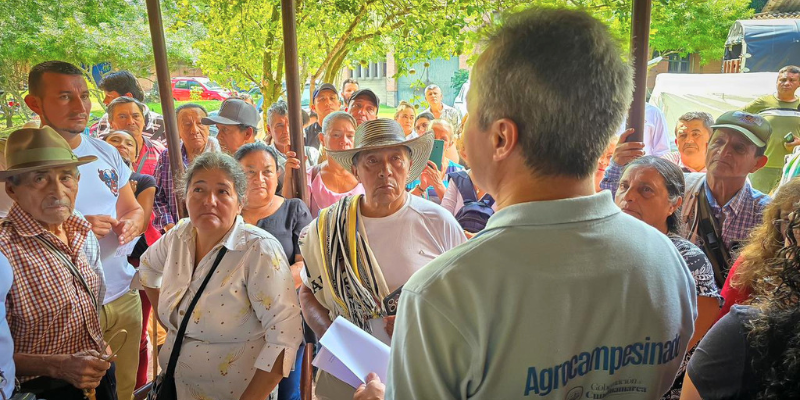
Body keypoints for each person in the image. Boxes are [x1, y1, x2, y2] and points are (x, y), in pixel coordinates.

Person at [359, 8, 696, 400]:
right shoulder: (666, 263)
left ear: (501, 138)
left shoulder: (445, 294)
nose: (463, 135)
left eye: (469, 116)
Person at [299, 119, 466, 400]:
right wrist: (340, 342)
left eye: (396, 160)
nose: (385, 171)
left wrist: (420, 320)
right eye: (372, 161)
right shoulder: (328, 228)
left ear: (409, 165)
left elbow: (467, 300)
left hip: (419, 373)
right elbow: (307, 292)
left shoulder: (439, 222)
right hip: (345, 377)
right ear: (356, 170)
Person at [22, 61, 145, 400]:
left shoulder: (105, 152)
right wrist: (76, 226)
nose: (79, 107)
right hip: (59, 310)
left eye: (84, 95)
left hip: (121, 293)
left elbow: (132, 208)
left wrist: (134, 222)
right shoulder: (18, 161)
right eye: (64, 97)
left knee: (121, 390)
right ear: (35, 103)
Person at [139, 152, 302, 400]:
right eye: (199, 190)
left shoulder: (258, 249)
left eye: (223, 192)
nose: (209, 201)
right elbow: (148, 267)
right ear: (185, 197)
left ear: (240, 202)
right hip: (175, 387)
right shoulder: (179, 236)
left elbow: (285, 338)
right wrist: (172, 322)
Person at [1, 126, 115, 399]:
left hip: (97, 377)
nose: (57, 191)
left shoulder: (81, 230)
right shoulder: (4, 251)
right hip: (40, 390)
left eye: (66, 177)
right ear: (12, 190)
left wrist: (97, 343)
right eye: (40, 179)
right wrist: (57, 365)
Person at [603, 111, 771, 286]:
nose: (723, 151)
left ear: (758, 163)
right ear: (707, 147)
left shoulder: (766, 214)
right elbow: (616, 204)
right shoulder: (677, 188)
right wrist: (617, 164)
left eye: (738, 148)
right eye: (718, 142)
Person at [613, 156, 721, 399]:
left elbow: (686, 341)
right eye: (624, 186)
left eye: (646, 190)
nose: (628, 196)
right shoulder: (605, 248)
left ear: (674, 204)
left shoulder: (687, 259)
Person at [682, 208, 800, 399]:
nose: (789, 225)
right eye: (785, 218)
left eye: (793, 221)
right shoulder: (751, 262)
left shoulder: (745, 331)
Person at [235, 142, 312, 400]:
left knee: (288, 393)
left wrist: (260, 287)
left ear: (277, 174)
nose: (260, 179)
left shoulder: (294, 209)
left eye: (267, 171)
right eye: (250, 172)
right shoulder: (227, 214)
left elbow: (306, 267)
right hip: (235, 323)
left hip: (286, 319)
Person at [104, 129, 161, 390]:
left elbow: (139, 220)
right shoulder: (91, 181)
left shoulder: (143, 180)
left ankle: (136, 390)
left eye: (128, 142)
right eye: (114, 140)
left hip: (136, 265)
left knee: (137, 338)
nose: (121, 145)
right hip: (100, 280)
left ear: (136, 153)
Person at [716, 178, 800, 321]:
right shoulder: (751, 263)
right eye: (788, 220)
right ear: (776, 222)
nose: (795, 230)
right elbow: (725, 320)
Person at [153, 103, 221, 232]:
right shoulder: (167, 156)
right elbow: (157, 196)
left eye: (200, 123)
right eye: (187, 124)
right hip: (176, 232)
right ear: (177, 130)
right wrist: (169, 225)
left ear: (208, 127)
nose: (195, 130)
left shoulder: (222, 155)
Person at [283, 111, 365, 217]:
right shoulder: (310, 177)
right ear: (322, 139)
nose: (344, 141)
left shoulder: (366, 176)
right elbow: (289, 209)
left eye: (350, 136)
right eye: (336, 135)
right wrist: (289, 176)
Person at [745, 65, 800, 193]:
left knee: (786, 207)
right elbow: (737, 117)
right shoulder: (763, 102)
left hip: (792, 167)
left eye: (792, 80)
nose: (786, 83)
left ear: (798, 84)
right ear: (777, 82)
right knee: (757, 203)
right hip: (762, 165)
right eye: (782, 80)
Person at [91, 70, 166, 143]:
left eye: (110, 97)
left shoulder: (162, 125)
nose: (105, 101)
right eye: (122, 117)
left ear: (128, 97)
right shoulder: (105, 121)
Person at [408, 119, 464, 204]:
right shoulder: (412, 168)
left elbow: (458, 210)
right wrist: (421, 188)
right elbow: (401, 204)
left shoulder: (459, 172)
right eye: (433, 137)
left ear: (450, 144)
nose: (436, 141)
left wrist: (438, 184)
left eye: (443, 139)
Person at [107, 96, 166, 176]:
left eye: (136, 116)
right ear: (111, 123)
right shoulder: (103, 151)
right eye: (122, 117)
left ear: (144, 120)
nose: (131, 122)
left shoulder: (159, 151)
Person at [267, 100, 320, 170]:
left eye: (290, 125)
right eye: (280, 126)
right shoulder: (264, 158)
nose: (286, 131)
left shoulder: (311, 154)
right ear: (269, 129)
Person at [305, 83, 342, 149]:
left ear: (339, 105)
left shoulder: (349, 131)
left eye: (332, 98)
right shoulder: (306, 135)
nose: (328, 103)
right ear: (313, 108)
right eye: (322, 99)